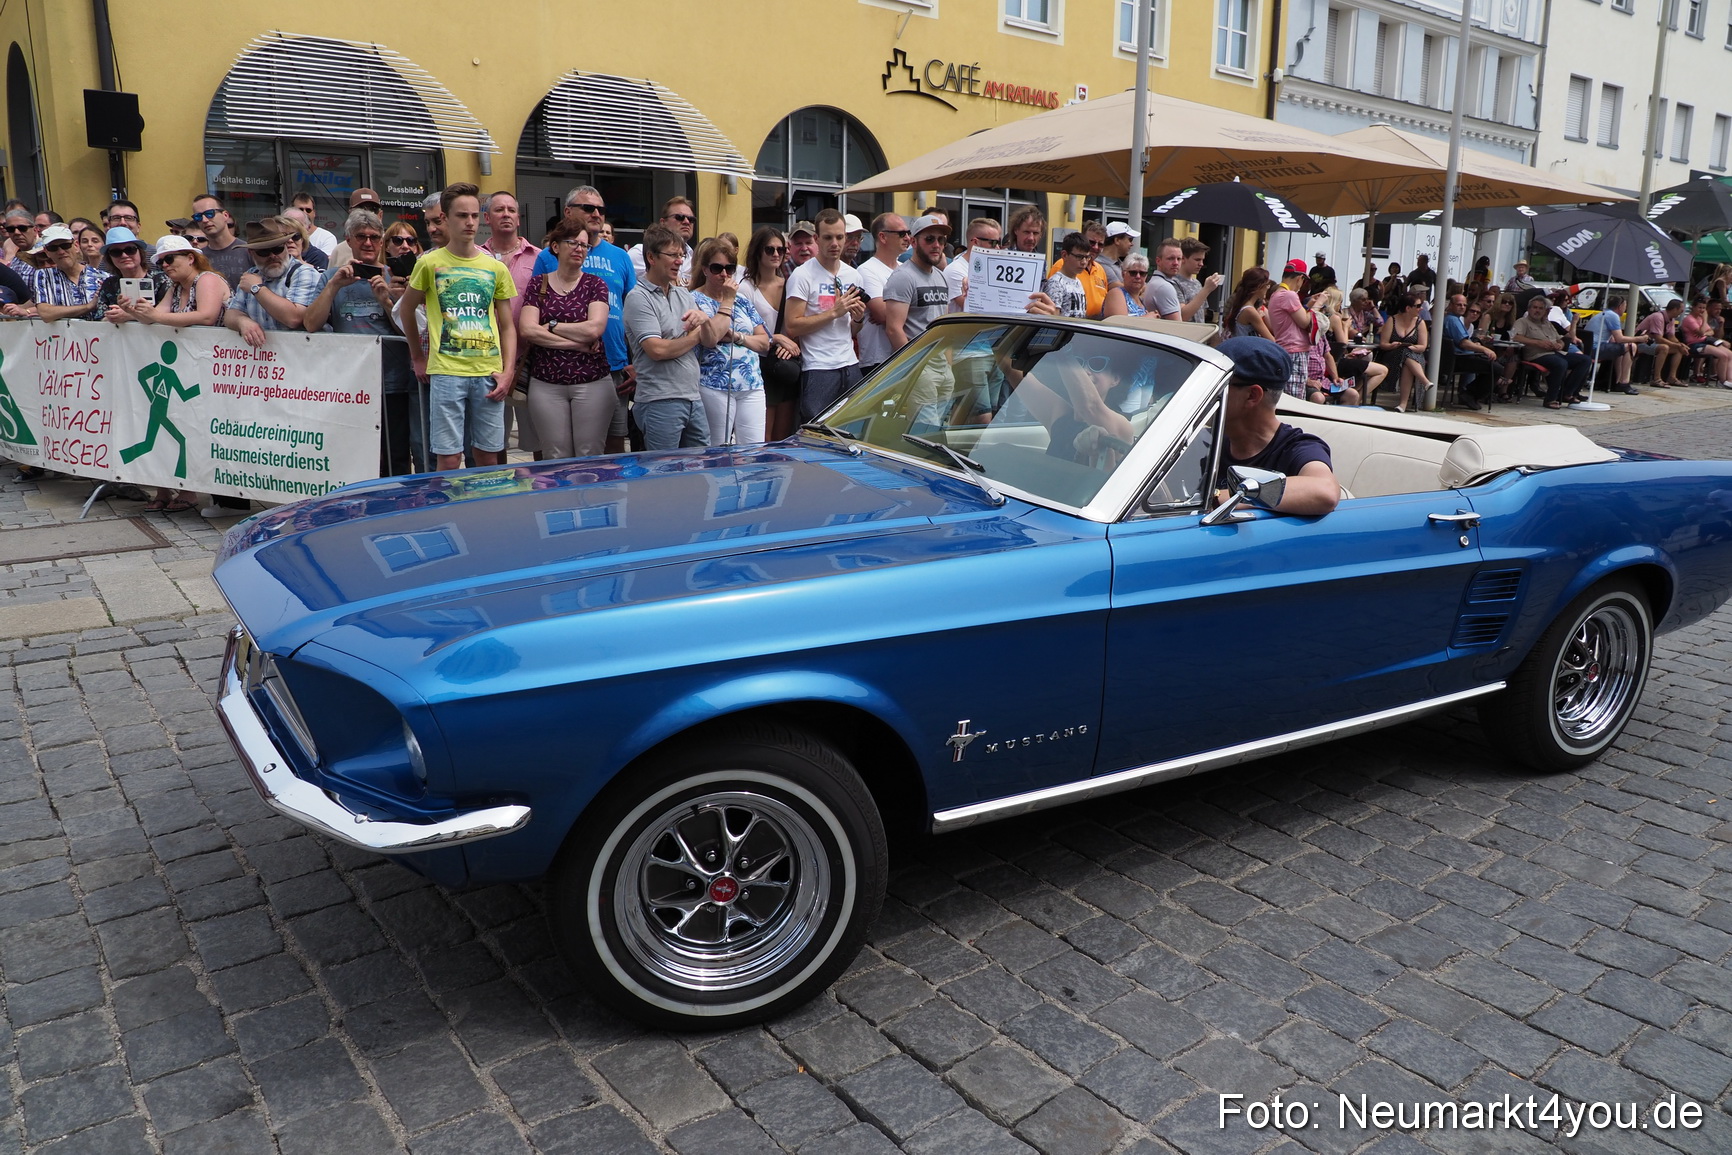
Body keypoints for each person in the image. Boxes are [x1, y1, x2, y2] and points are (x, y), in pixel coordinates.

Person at [400, 182, 519, 470]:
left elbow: (507, 325)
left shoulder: (495, 267)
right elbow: (406, 308)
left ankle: (483, 511)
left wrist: (507, 372)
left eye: (475, 216)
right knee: (448, 457)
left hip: (487, 371)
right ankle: (448, 513)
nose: (470, 222)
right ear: (445, 218)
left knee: (488, 455)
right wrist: (417, 357)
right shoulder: (429, 263)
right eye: (462, 215)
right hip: (446, 372)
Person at [304, 210, 425, 476]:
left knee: (396, 458)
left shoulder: (396, 276)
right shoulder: (331, 277)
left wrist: (386, 301)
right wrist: (334, 286)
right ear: (348, 240)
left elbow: (411, 332)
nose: (368, 243)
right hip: (349, 386)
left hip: (392, 383)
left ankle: (397, 510)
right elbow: (310, 324)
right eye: (361, 237)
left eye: (374, 237)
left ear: (382, 241)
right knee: (352, 458)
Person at [539, 187, 637, 454]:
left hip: (615, 365)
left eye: (601, 209)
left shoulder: (620, 257)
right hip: (559, 368)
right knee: (562, 448)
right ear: (568, 212)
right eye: (588, 208)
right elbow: (535, 312)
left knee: (614, 444)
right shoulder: (548, 257)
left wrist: (634, 361)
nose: (596, 214)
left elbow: (634, 311)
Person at [1214, 336, 1340, 515]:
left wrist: (1219, 498)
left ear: (1252, 395)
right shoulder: (1207, 440)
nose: (1204, 393)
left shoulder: (1299, 447)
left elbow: (1324, 491)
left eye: (1217, 385)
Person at [517, 220, 611, 459]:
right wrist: (575, 343)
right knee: (555, 455)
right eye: (573, 243)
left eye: (584, 245)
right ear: (556, 247)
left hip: (591, 381)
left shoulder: (595, 284)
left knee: (589, 454)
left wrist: (553, 326)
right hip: (546, 383)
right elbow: (527, 329)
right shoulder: (539, 284)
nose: (580, 249)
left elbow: (594, 329)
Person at [623, 223, 716, 448]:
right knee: (664, 472)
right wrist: (695, 336)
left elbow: (711, 341)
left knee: (698, 474)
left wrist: (704, 322)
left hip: (693, 398)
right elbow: (657, 350)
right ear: (651, 258)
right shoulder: (638, 297)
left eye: (681, 255)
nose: (679, 261)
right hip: (659, 401)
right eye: (672, 255)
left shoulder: (683, 295)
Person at [478, 190, 544, 458]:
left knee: (539, 437)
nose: (506, 214)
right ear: (486, 218)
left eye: (511, 210)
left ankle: (542, 494)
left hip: (531, 359)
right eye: (499, 210)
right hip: (487, 359)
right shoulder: (475, 257)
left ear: (519, 218)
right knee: (495, 440)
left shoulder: (540, 257)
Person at [784, 208, 867, 420]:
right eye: (828, 237)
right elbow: (792, 326)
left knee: (852, 428)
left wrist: (858, 318)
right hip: (819, 367)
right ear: (816, 239)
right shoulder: (802, 275)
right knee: (817, 431)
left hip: (849, 364)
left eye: (840, 237)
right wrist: (833, 312)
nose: (835, 244)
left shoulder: (854, 275)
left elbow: (852, 329)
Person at [690, 235, 771, 445]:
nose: (724, 274)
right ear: (705, 269)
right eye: (717, 268)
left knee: (754, 449)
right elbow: (712, 338)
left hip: (751, 383)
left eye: (730, 268)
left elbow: (764, 342)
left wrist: (737, 337)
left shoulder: (742, 300)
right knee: (718, 450)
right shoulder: (692, 299)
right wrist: (726, 300)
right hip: (715, 384)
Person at [738, 227, 802, 441]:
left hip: (786, 365)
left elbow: (797, 323)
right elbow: (742, 330)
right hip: (760, 366)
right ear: (757, 252)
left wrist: (789, 343)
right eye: (769, 249)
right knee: (763, 437)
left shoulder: (791, 283)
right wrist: (777, 338)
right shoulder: (746, 288)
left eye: (780, 250)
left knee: (784, 436)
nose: (776, 254)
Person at [222, 218, 321, 344]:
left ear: (286, 246)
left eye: (277, 249)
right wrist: (242, 321)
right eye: (264, 252)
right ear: (251, 253)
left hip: (300, 355)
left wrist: (257, 288)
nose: (273, 256)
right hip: (266, 359)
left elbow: (295, 318)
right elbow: (230, 314)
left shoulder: (304, 273)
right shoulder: (251, 275)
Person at [883, 215, 951, 354]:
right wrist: (913, 365)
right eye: (929, 239)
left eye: (941, 239)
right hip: (918, 361)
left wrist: (948, 363)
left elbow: (945, 326)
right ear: (913, 242)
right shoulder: (903, 276)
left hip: (940, 360)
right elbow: (893, 329)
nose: (936, 245)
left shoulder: (941, 277)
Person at [1512, 294, 1592, 407]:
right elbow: (1515, 337)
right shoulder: (1522, 322)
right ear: (1529, 309)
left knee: (1585, 360)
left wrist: (1560, 345)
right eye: (1534, 307)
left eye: (1540, 308)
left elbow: (1561, 339)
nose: (1537, 310)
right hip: (1537, 354)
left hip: (1556, 352)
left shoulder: (1547, 323)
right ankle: (1551, 399)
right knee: (1560, 363)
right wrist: (1537, 342)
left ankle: (1566, 393)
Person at [856, 212, 908, 375]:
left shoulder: (905, 269)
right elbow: (882, 314)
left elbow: (889, 314)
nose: (907, 237)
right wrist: (913, 305)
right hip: (877, 360)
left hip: (904, 356)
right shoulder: (866, 270)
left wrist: (895, 309)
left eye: (908, 233)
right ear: (883, 237)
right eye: (901, 233)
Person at [18, 225, 106, 321]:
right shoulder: (44, 275)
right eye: (53, 248)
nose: (61, 251)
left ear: (76, 246)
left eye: (65, 245)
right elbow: (46, 313)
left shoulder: (103, 277)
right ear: (47, 252)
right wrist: (88, 307)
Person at [1264, 259, 1317, 397]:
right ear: (1300, 278)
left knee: (1284, 395)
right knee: (1295, 397)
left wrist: (1309, 305)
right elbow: (1305, 322)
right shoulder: (1289, 295)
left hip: (1284, 348)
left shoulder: (1276, 294)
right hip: (1295, 350)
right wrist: (1318, 305)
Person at [95, 227, 170, 321]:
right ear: (109, 258)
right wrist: (112, 317)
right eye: (116, 252)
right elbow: (99, 320)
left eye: (130, 249)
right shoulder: (109, 284)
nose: (124, 255)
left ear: (140, 252)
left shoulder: (161, 280)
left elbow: (168, 314)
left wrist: (129, 315)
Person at [1579, 295, 1646, 396]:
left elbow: (1614, 339)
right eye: (1625, 306)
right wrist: (1638, 339)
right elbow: (1620, 338)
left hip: (1589, 347)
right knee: (1632, 346)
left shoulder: (1604, 314)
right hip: (1596, 348)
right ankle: (1624, 382)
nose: (1625, 309)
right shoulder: (1613, 316)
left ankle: (1618, 381)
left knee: (1622, 349)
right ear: (1620, 306)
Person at [1374, 292, 1430, 412]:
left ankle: (1403, 404)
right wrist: (1392, 345)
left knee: (1407, 359)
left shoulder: (1420, 323)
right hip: (1392, 355)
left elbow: (1423, 346)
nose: (1421, 309)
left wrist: (1411, 348)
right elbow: (1383, 344)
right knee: (1404, 352)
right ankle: (1424, 380)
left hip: (1414, 355)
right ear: (1408, 308)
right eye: (1418, 306)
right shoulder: (1392, 320)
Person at [1442, 293, 1498, 410]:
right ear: (1451, 305)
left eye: (1464, 305)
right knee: (1497, 368)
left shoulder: (1452, 319)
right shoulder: (1453, 320)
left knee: (1492, 364)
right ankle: (1470, 394)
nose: (1462, 307)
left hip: (1458, 357)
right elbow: (1464, 343)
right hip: (1459, 358)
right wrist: (1484, 349)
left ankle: (1469, 393)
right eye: (1459, 304)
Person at [628, 197, 696, 281]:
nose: (687, 222)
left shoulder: (694, 259)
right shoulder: (639, 253)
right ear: (663, 222)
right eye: (679, 217)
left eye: (691, 219)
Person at [192, 194, 253, 286]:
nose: (204, 220)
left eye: (209, 213)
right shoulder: (199, 257)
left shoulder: (249, 251)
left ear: (225, 215)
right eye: (198, 216)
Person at [946, 217, 1001, 312]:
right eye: (993, 243)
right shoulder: (955, 270)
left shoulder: (992, 270)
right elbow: (976, 309)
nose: (997, 248)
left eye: (999, 242)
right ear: (976, 242)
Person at [1040, 233, 1094, 318]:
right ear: (1064, 255)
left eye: (1087, 257)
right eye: (1079, 257)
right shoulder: (1056, 283)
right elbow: (1053, 317)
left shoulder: (1078, 282)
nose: (1084, 262)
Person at [1680, 298, 1732, 386]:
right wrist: (1704, 319)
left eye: (1704, 308)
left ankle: (1730, 379)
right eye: (1700, 308)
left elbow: (1711, 332)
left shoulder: (1699, 319)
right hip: (1694, 344)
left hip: (1705, 341)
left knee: (1730, 354)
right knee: (1723, 355)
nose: (1702, 310)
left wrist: (1704, 333)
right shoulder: (1689, 319)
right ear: (1693, 307)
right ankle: (1723, 381)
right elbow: (1700, 332)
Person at [328, 188, 384, 267]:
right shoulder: (339, 251)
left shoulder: (394, 244)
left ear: (380, 215)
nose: (366, 214)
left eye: (373, 210)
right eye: (360, 209)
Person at [1637, 298, 1687, 386]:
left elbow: (1671, 336)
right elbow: (1659, 338)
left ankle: (1672, 377)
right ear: (1675, 309)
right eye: (1681, 310)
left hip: (1651, 342)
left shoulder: (1671, 319)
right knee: (1664, 348)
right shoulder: (1658, 317)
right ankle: (1656, 379)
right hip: (1640, 342)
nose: (1682, 312)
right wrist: (1677, 345)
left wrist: (1681, 345)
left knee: (1678, 349)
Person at [1173, 238, 1223, 322]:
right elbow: (1182, 316)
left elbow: (1203, 312)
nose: (1201, 264)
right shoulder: (1174, 282)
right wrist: (1206, 289)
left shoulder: (1197, 283)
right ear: (1183, 259)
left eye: (1202, 260)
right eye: (1197, 260)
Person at [1221, 267, 1275, 341]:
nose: (1268, 288)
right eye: (1267, 285)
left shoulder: (1241, 304)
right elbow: (1272, 340)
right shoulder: (1250, 311)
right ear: (1258, 287)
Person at [289, 193, 339, 257]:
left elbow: (323, 263)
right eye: (300, 209)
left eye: (308, 210)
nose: (305, 213)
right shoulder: (285, 238)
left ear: (314, 213)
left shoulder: (327, 237)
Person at [1102, 252, 1150, 317]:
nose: (1138, 276)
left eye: (1142, 273)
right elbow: (1119, 324)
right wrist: (1148, 318)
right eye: (1133, 273)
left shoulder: (1142, 301)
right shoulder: (1116, 294)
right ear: (1123, 274)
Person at [1097, 221, 1135, 286]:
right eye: (1130, 240)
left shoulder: (1120, 264)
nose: (1132, 244)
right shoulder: (1100, 264)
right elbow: (1120, 288)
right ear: (1117, 240)